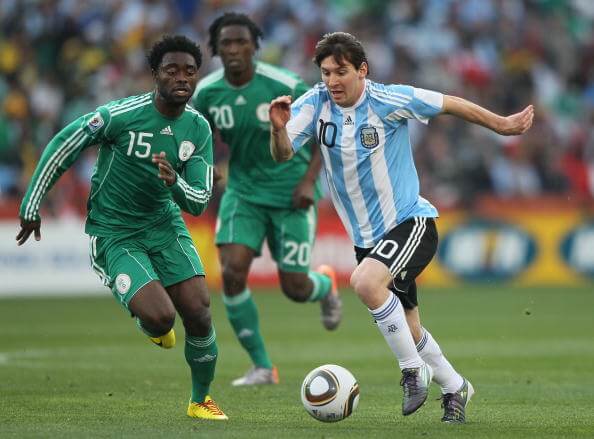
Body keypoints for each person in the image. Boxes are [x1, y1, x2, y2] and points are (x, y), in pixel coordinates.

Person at [269, 32, 534, 423]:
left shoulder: (387, 99)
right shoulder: (315, 103)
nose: (332, 81)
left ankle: (412, 372)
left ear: (362, 70)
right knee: (408, 327)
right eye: (325, 73)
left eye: (340, 71)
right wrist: (277, 128)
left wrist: (502, 125)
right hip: (366, 239)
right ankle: (455, 386)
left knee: (364, 283)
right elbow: (282, 155)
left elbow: (449, 103)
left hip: (410, 223)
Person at [16, 35, 228, 421]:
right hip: (116, 232)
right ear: (154, 75)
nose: (182, 77)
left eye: (190, 71)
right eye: (172, 70)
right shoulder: (120, 115)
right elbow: (65, 145)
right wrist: (32, 202)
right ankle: (147, 318)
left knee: (199, 311)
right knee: (162, 318)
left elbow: (198, 200)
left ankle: (200, 401)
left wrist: (174, 183)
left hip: (165, 225)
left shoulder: (197, 129)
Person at [193, 12, 342, 387]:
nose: (234, 49)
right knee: (231, 272)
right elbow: (196, 137)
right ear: (216, 50)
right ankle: (262, 366)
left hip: (291, 193)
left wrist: (310, 181)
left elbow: (323, 130)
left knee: (294, 288)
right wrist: (203, 166)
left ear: (255, 46)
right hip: (243, 192)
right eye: (225, 43)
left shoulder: (284, 83)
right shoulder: (208, 93)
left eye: (241, 41)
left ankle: (325, 285)